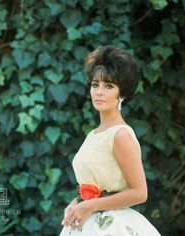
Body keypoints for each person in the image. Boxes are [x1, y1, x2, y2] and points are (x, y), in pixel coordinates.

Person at [60, 45, 161, 235]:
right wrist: (77, 204)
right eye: (95, 84)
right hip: (85, 225)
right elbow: (96, 185)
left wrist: (91, 206)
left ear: (121, 93)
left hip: (113, 226)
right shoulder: (94, 134)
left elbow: (140, 193)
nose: (99, 91)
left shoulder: (120, 135)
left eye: (108, 86)